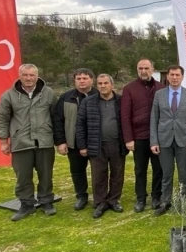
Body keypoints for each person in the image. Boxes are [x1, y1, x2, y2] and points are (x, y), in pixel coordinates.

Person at [0, 64, 57, 221]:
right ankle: (26, 204)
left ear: (37, 76)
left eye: (31, 75)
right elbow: (2, 118)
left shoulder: (48, 93)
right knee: (23, 176)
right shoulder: (9, 95)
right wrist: (4, 141)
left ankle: (46, 201)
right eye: (25, 75)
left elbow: (56, 116)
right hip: (20, 142)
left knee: (46, 174)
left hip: (44, 141)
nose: (28, 78)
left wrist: (59, 140)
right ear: (20, 76)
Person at [76, 74, 128, 219]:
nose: (103, 86)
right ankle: (100, 202)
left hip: (117, 143)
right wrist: (82, 146)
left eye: (106, 83)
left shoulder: (120, 101)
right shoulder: (88, 102)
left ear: (112, 85)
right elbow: (80, 124)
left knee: (117, 174)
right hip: (96, 144)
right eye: (100, 83)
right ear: (96, 85)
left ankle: (113, 200)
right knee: (99, 174)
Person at [150, 65, 186, 216]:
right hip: (164, 140)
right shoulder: (159, 94)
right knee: (166, 173)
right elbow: (154, 118)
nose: (175, 77)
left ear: (182, 77)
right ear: (168, 76)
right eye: (172, 75)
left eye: (177, 75)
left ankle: (184, 201)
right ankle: (165, 201)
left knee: (184, 174)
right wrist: (154, 141)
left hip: (184, 140)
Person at [121, 58, 164, 213]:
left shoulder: (161, 88)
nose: (143, 71)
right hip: (138, 137)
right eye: (140, 68)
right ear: (137, 70)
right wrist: (128, 138)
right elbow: (125, 116)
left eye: (146, 68)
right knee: (140, 169)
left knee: (158, 169)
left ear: (152, 69)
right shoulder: (129, 89)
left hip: (158, 137)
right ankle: (140, 198)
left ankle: (156, 196)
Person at [53, 67, 97, 211]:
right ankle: (81, 196)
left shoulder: (99, 95)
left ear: (92, 79)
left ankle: (99, 196)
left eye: (85, 78)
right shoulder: (66, 98)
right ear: (75, 81)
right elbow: (58, 120)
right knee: (77, 171)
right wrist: (60, 141)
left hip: (95, 141)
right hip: (74, 142)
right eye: (79, 79)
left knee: (99, 171)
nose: (82, 81)